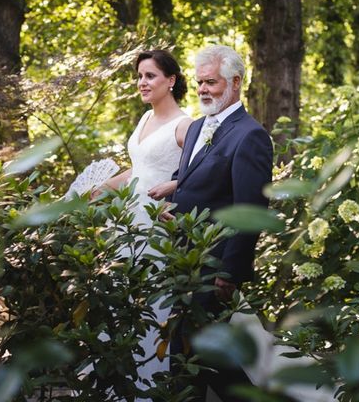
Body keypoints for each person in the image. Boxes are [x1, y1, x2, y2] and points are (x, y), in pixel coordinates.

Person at [164, 45, 273, 402]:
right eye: (199, 83)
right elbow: (190, 181)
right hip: (184, 262)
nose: (202, 90)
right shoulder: (196, 128)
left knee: (201, 354)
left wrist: (230, 272)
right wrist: (173, 207)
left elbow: (249, 207)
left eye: (210, 82)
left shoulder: (250, 135)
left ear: (236, 82)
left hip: (215, 267)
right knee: (190, 354)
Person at [92, 49, 192, 394]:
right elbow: (139, 169)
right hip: (126, 224)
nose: (142, 83)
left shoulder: (186, 125)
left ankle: (152, 386)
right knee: (120, 300)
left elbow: (204, 175)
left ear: (171, 81)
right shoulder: (144, 120)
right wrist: (101, 187)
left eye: (150, 76)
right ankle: (115, 383)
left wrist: (176, 190)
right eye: (139, 76)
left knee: (151, 304)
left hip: (156, 224)